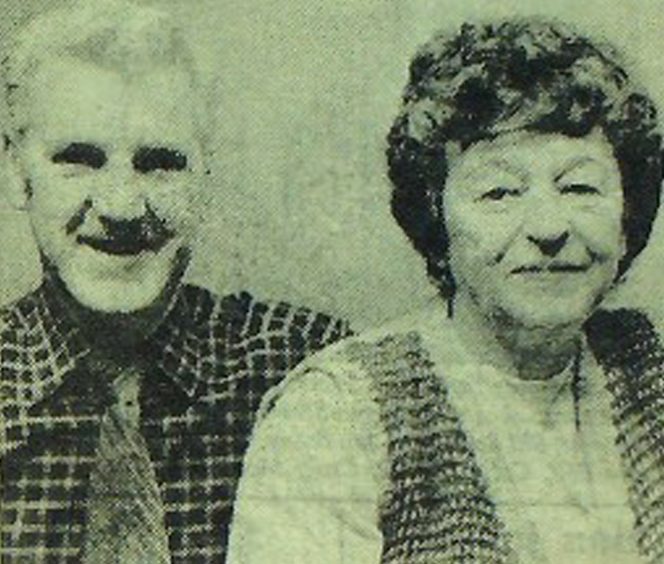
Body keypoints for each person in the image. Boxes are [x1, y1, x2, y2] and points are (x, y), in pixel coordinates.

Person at [228, 18, 664, 563]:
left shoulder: (647, 371)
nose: (549, 227)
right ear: (435, 216)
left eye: (579, 186)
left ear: (628, 214)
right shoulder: (336, 417)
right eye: (499, 191)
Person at [0, 2, 348, 562]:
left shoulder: (305, 368)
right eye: (80, 159)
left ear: (205, 173)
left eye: (160, 163)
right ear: (16, 172)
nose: (120, 205)